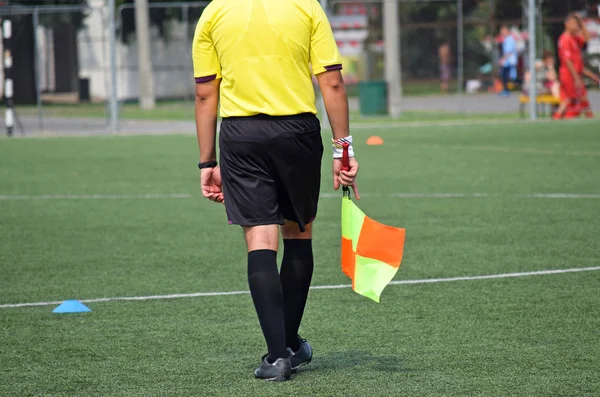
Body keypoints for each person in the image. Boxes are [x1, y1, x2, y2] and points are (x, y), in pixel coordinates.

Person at [192, 0, 360, 382]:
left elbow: (205, 95)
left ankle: (277, 356)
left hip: (241, 136)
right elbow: (331, 81)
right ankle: (288, 346)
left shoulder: (214, 12)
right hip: (297, 133)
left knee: (260, 241)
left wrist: (206, 163)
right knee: (298, 235)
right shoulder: (306, 7)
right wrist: (343, 148)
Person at [553, 13, 596, 119]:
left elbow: (587, 39)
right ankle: (559, 117)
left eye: (578, 24)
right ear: (567, 24)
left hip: (575, 74)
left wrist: (581, 23)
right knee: (577, 98)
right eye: (574, 24)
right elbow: (568, 61)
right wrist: (576, 78)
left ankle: (560, 117)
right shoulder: (565, 39)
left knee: (574, 99)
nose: (577, 27)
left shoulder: (574, 39)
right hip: (569, 75)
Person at [499, 26, 518, 97]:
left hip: (508, 62)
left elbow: (508, 52)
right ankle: (505, 90)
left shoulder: (509, 39)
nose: (502, 33)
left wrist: (502, 59)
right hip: (508, 62)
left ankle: (506, 90)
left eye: (503, 31)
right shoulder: (507, 39)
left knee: (506, 76)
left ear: (507, 31)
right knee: (506, 76)